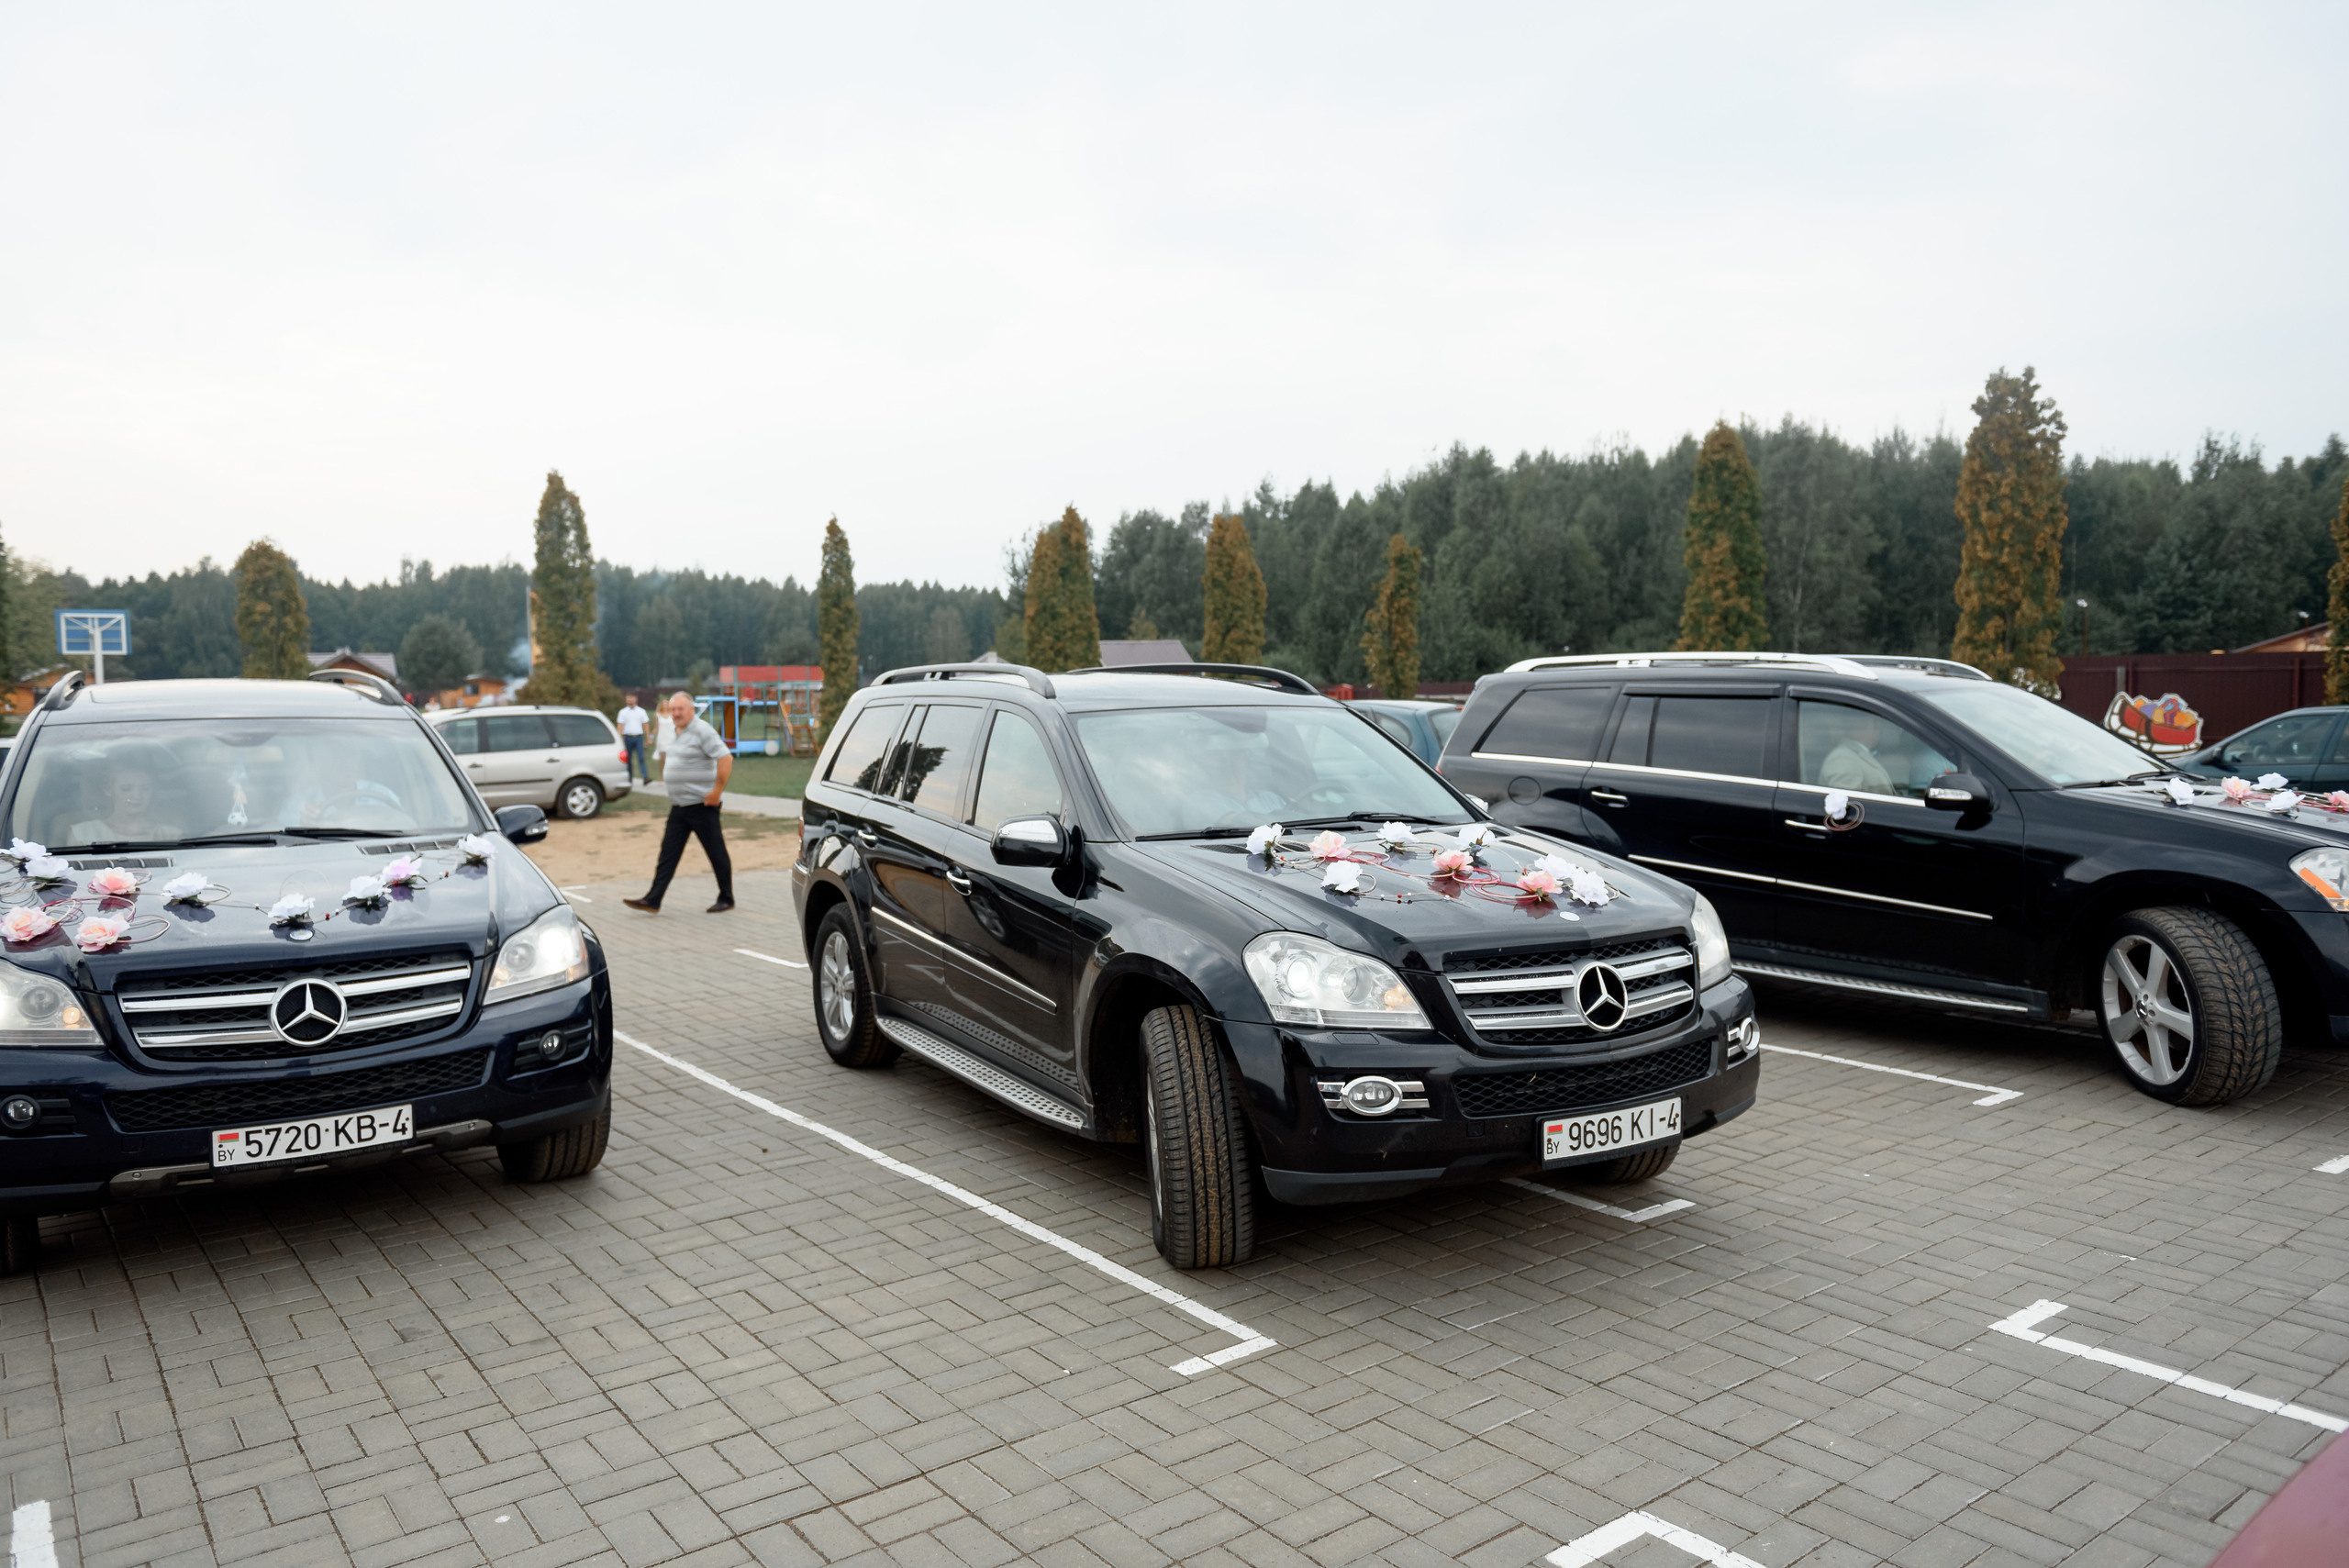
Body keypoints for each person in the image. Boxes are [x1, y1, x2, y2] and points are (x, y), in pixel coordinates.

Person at [626, 693, 735, 914]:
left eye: (680, 709)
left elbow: (726, 758)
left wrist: (716, 792)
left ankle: (727, 897)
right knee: (668, 853)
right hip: (679, 806)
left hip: (702, 805)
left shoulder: (702, 730)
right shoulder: (676, 732)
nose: (676, 713)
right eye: (673, 709)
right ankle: (653, 899)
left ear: (691, 710)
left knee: (716, 852)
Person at [1818, 712, 1896, 795]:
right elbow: (1847, 804)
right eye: (1877, 722)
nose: (1880, 727)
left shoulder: (1854, 755)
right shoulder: (1843, 759)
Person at [616, 693, 651, 784]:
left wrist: (648, 738)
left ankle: (645, 777)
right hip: (628, 738)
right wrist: (619, 739)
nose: (629, 700)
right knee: (628, 759)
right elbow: (620, 726)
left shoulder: (641, 711)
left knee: (641, 757)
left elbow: (646, 725)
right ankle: (629, 777)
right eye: (628, 698)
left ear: (636, 699)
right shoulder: (622, 712)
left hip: (638, 737)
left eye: (631, 698)